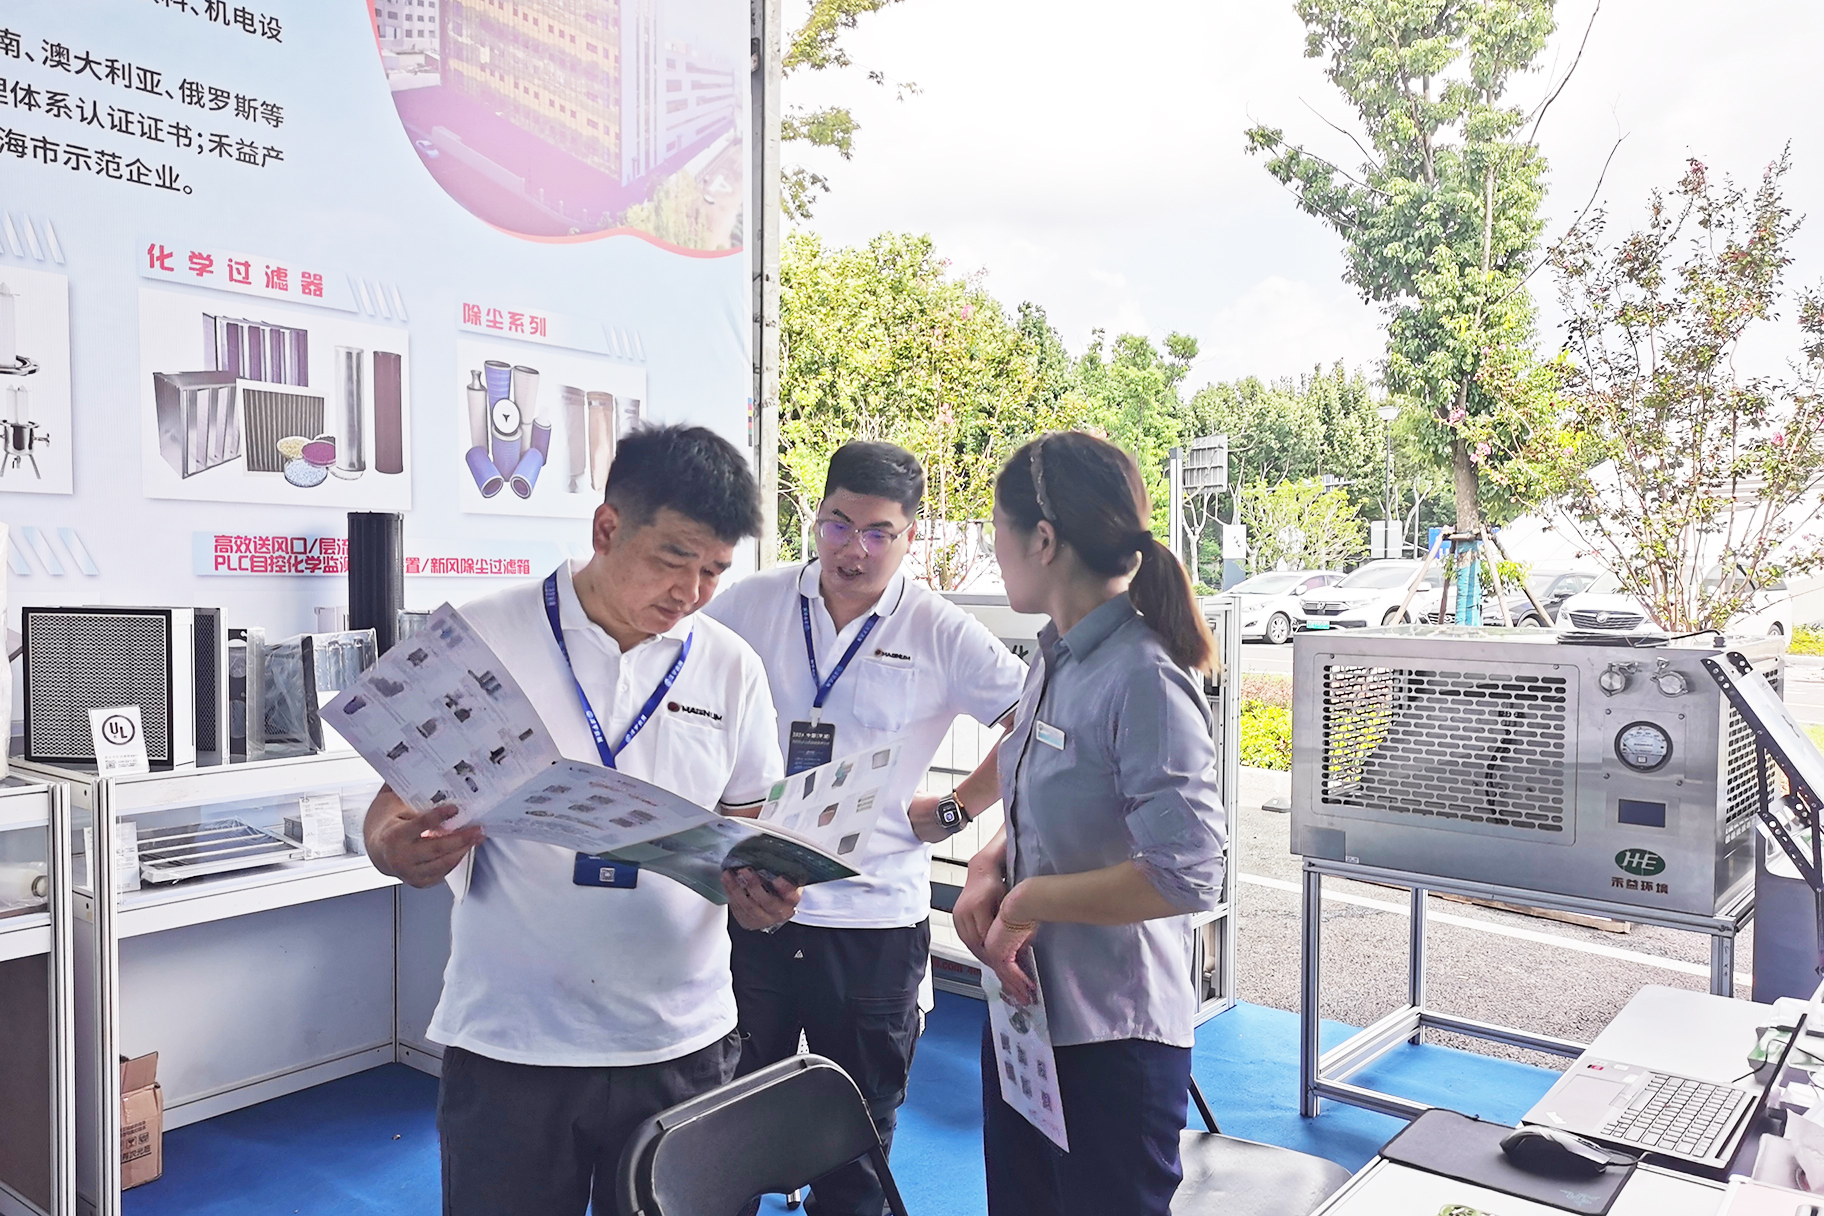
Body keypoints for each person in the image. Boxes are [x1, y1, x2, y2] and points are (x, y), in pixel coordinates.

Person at [362, 424, 799, 1216]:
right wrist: (397, 851)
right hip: (513, 1038)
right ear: (607, 528)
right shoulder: (481, 634)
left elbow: (747, 823)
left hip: (679, 1038)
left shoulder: (730, 665)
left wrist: (762, 895)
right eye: (673, 558)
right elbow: (390, 811)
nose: (691, 592)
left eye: (713, 570)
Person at [702, 440, 1029, 1216]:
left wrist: (956, 810)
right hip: (753, 904)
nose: (854, 550)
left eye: (879, 532)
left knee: (855, 1147)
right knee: (723, 1134)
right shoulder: (750, 605)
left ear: (912, 536)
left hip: (873, 921)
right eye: (838, 525)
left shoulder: (939, 629)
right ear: (815, 518)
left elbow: (1036, 723)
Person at [952, 431, 1228, 1216]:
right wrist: (990, 864)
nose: (994, 549)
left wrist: (1028, 900)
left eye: (996, 529)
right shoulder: (1056, 656)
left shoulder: (1143, 677)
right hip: (1029, 1016)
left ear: (1042, 539)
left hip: (1112, 1040)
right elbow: (1051, 797)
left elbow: (1187, 871)